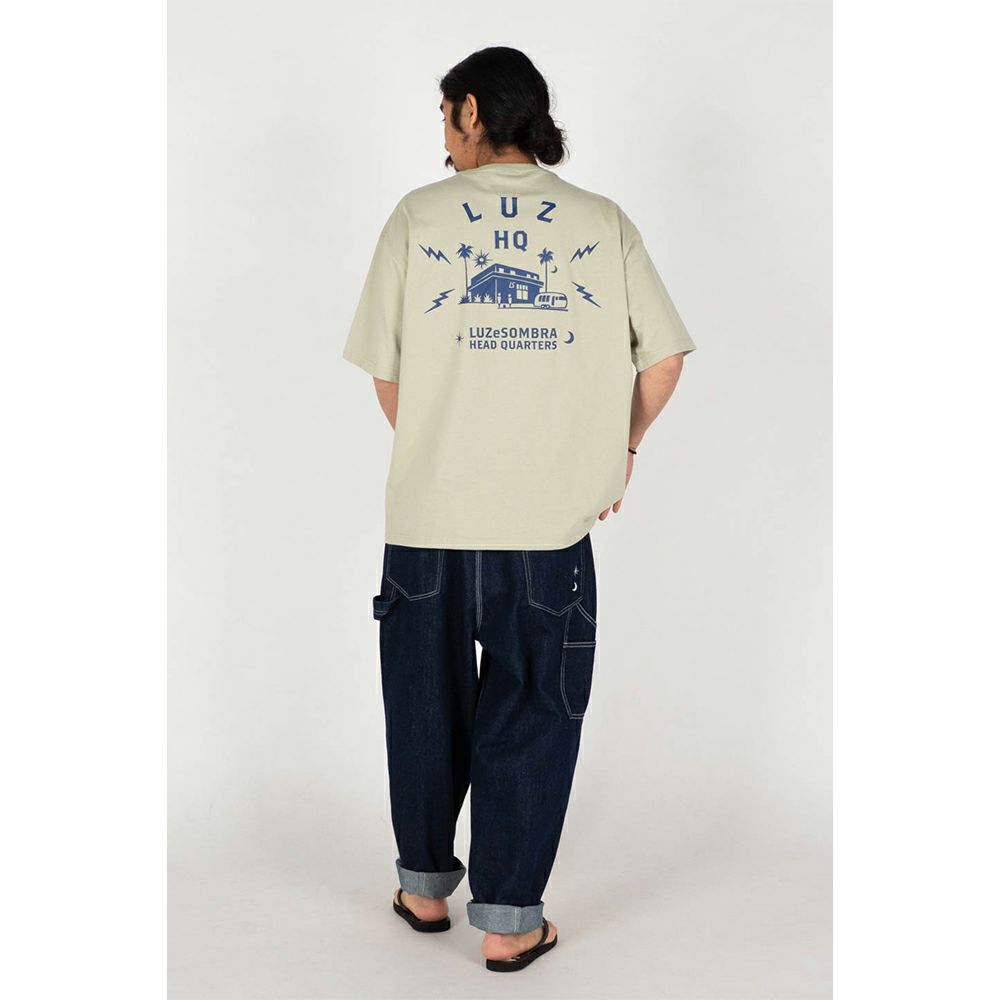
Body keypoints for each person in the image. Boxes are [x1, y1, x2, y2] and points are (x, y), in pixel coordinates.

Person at [342, 46, 695, 972]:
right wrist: (618, 452)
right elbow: (663, 360)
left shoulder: (416, 217)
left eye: (445, 118)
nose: (443, 139)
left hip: (427, 525)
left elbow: (387, 375)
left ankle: (424, 889)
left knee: (423, 708)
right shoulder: (602, 222)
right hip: (548, 529)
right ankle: (508, 922)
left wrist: (445, 453)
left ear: (469, 111)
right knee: (534, 709)